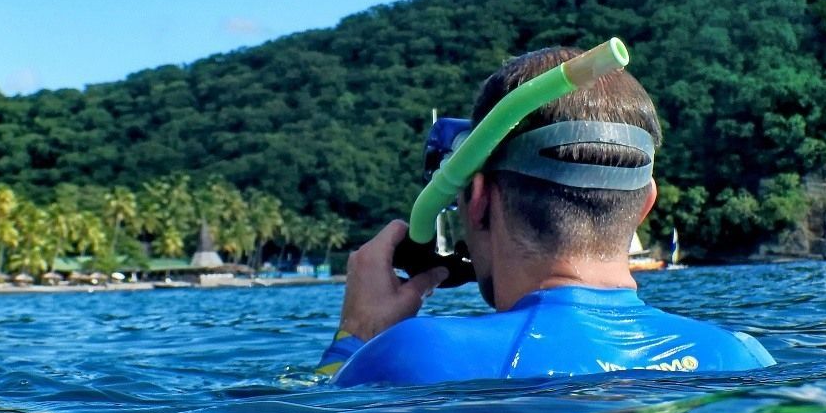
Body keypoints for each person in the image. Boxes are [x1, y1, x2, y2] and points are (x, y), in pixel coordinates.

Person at [316, 47, 775, 386]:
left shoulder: (415, 356)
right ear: (644, 204)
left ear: (477, 199)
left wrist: (356, 339)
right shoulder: (743, 358)